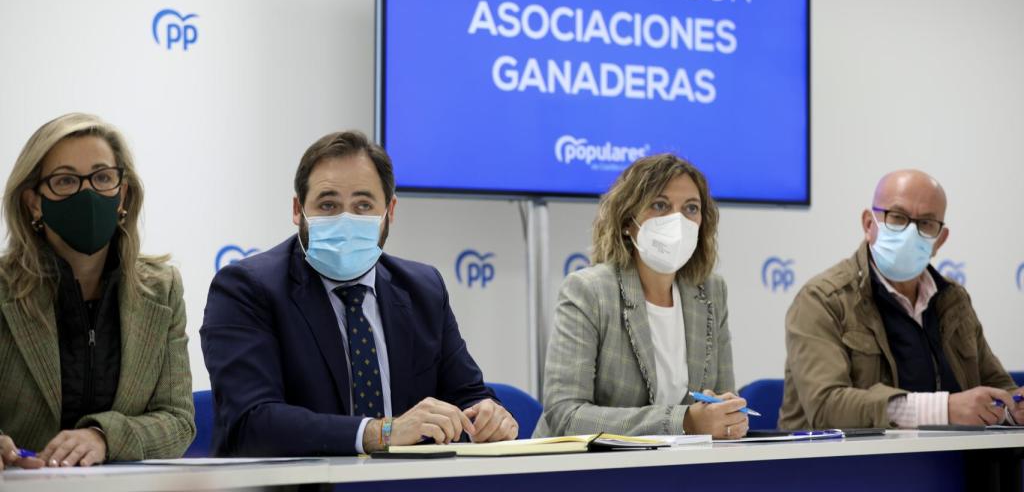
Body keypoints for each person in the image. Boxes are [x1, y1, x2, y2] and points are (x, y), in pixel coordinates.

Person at [201, 130, 517, 456]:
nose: (346, 219)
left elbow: (467, 393)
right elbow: (251, 422)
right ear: (298, 210)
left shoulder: (423, 288)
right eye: (328, 204)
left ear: (389, 212)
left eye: (363, 205)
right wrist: (380, 432)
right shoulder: (246, 289)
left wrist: (488, 413)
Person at [0, 113, 195, 470]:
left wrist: (103, 436)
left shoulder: (162, 289)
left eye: (103, 177)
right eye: (66, 181)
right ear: (34, 202)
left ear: (122, 193)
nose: (87, 193)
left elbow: (178, 422)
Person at [780, 169, 1023, 429]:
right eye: (897, 217)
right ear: (868, 223)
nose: (910, 232)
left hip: (948, 464)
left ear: (940, 240)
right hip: (845, 466)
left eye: (926, 223)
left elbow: (999, 390)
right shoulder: (822, 300)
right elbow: (826, 406)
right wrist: (943, 410)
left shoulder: (953, 299)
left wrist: (1015, 409)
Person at [535, 154, 747, 439]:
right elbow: (566, 415)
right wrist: (683, 421)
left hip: (678, 472)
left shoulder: (710, 291)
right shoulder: (589, 291)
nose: (677, 220)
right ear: (627, 220)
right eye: (660, 205)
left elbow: (724, 399)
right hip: (589, 471)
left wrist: (727, 416)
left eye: (691, 208)